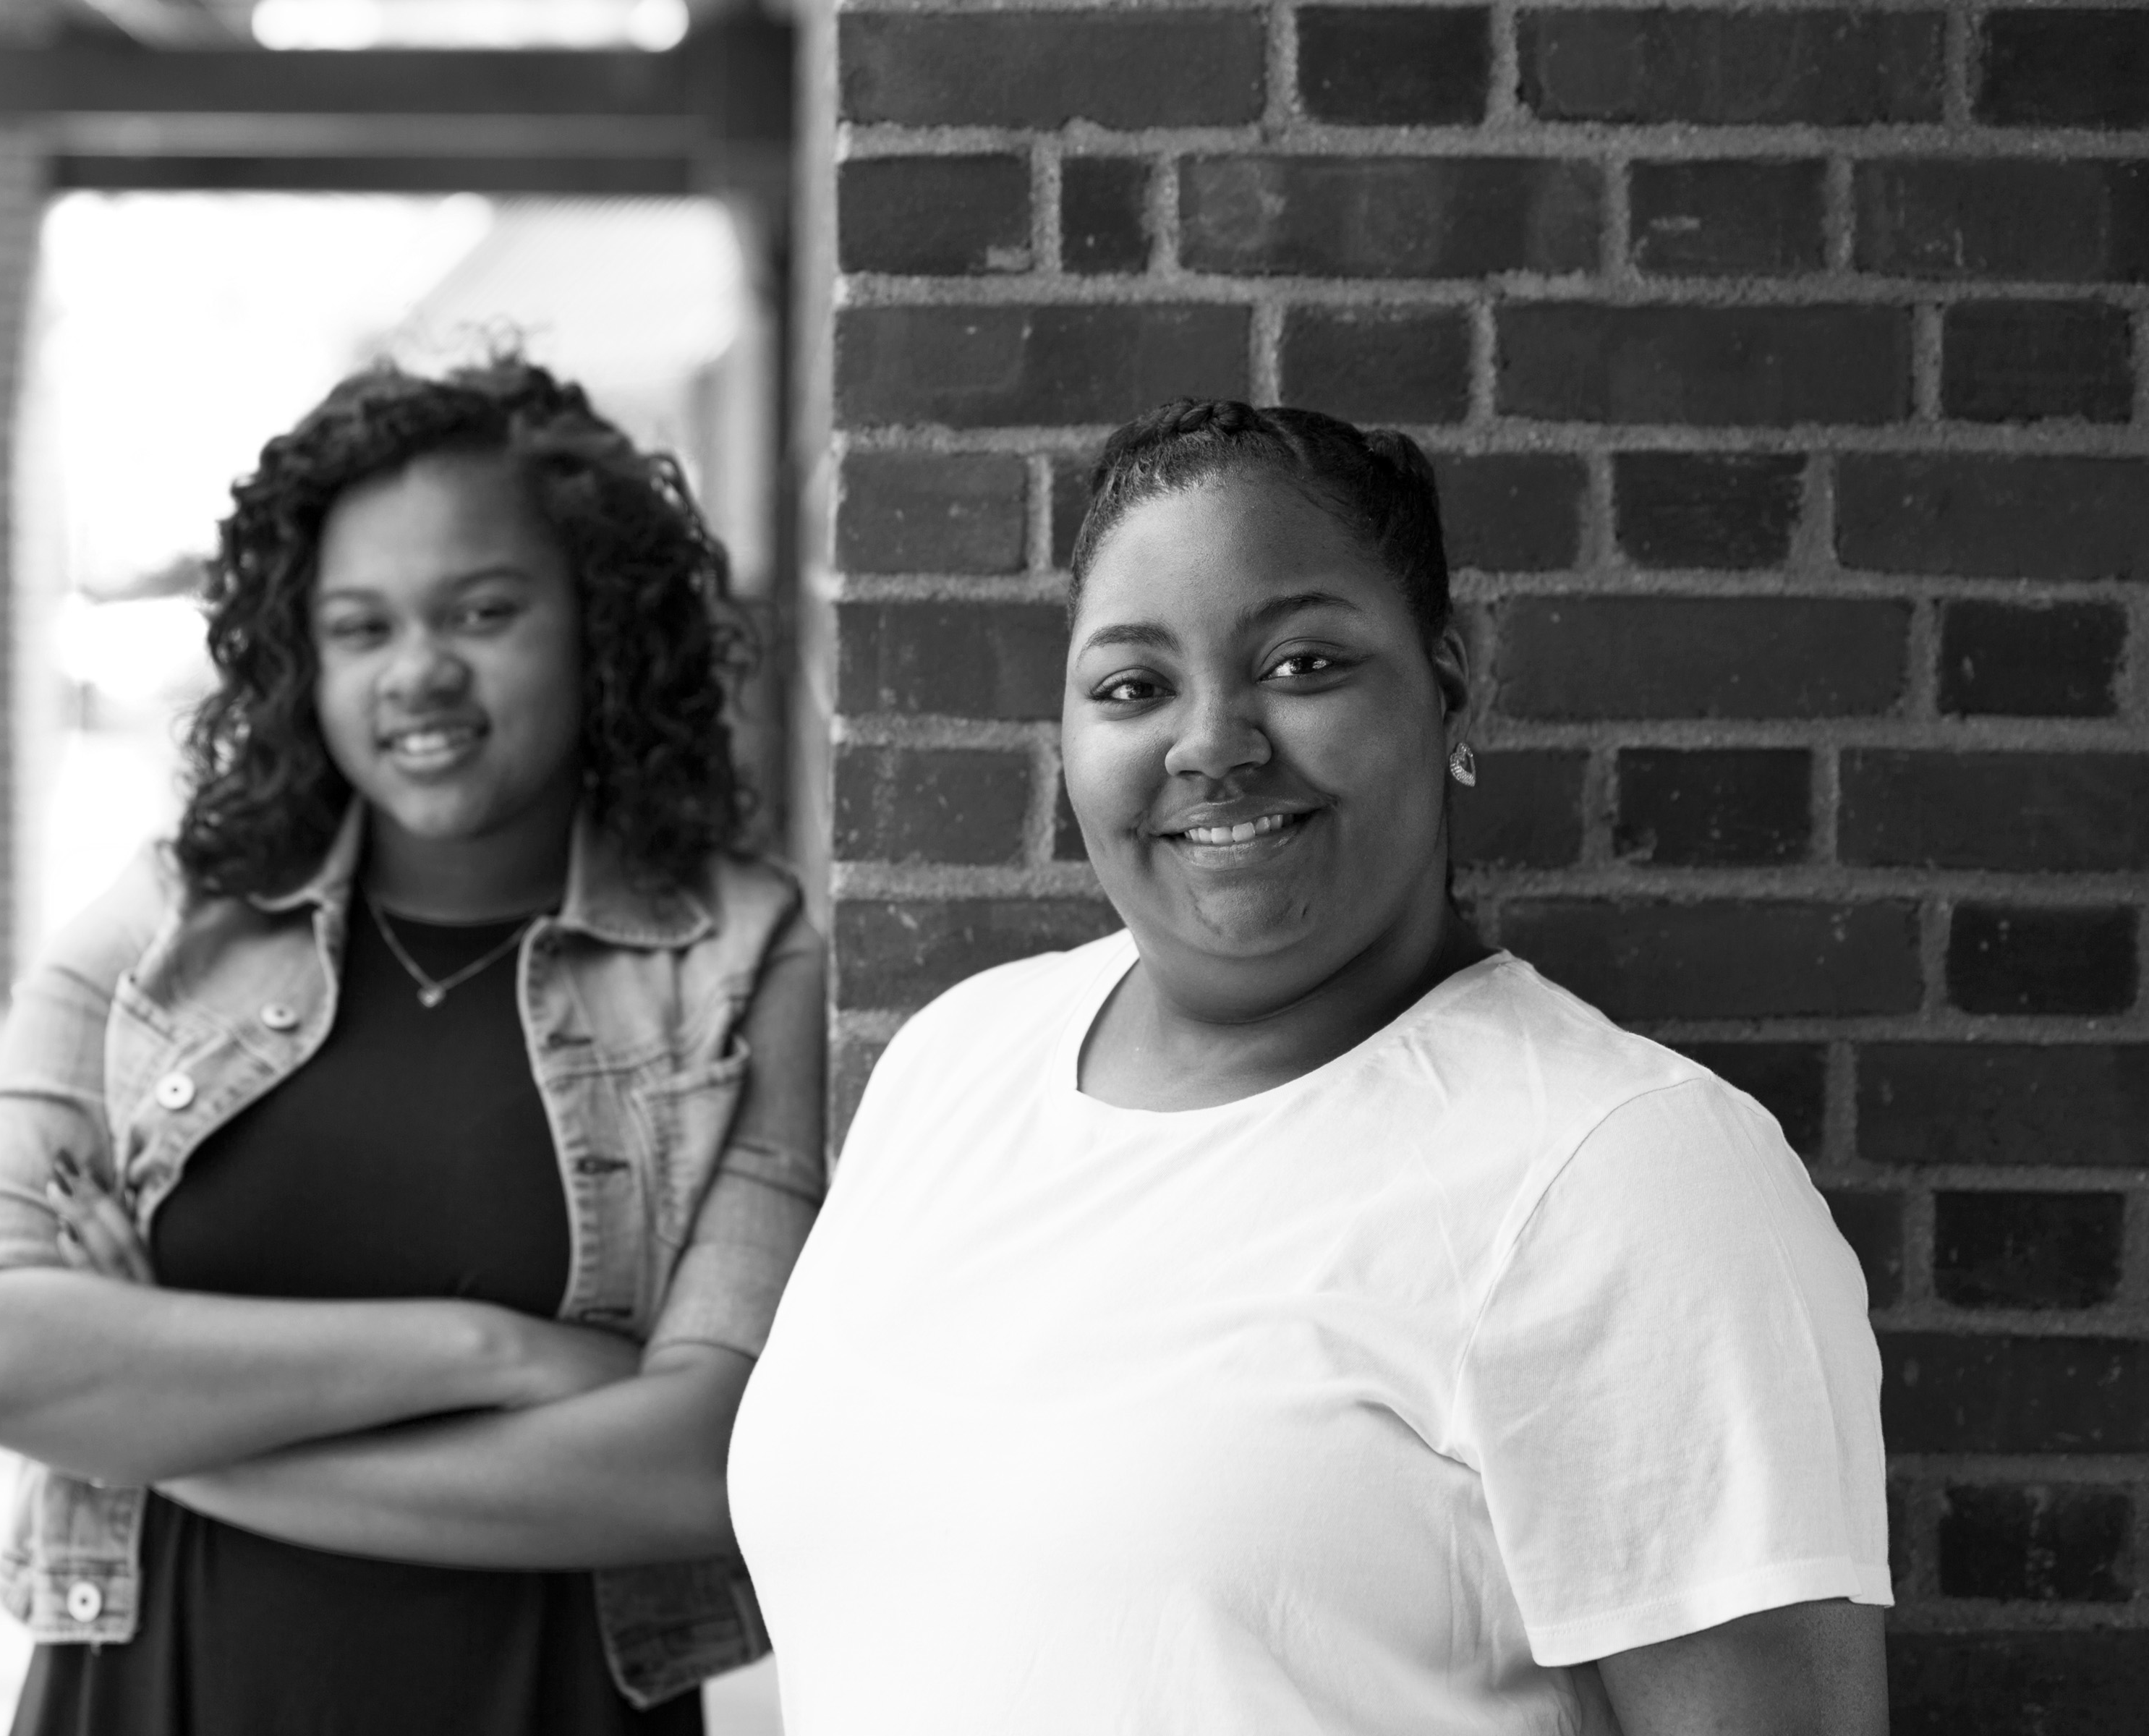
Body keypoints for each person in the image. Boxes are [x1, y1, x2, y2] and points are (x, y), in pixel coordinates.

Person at [728, 399, 1889, 1735]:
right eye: (1132, 686)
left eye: (1302, 665)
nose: (1212, 742)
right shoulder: (956, 1062)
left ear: (1451, 683)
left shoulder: (1628, 1173)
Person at [0, 357, 824, 1736]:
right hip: (163, 1694)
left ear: (603, 627)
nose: (419, 672)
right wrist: (487, 1353)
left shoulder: (738, 958)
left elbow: (700, 1464)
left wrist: (171, 1430)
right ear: (304, 659)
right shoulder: (166, 927)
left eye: (484, 610)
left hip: (542, 1703)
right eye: (360, 626)